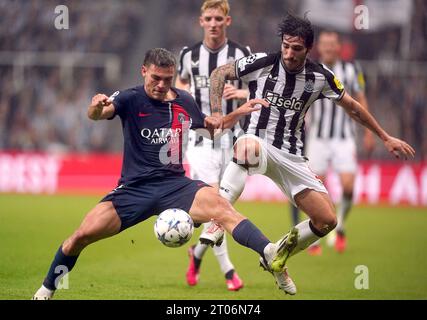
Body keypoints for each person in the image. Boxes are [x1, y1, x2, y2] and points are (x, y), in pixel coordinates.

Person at [32, 48, 297, 300]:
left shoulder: (184, 101)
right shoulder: (129, 98)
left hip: (176, 186)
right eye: (156, 78)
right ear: (143, 71)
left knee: (224, 209)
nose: (161, 84)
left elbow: (211, 130)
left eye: (167, 79)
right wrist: (96, 106)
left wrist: (237, 113)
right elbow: (97, 115)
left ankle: (270, 254)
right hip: (134, 189)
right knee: (80, 237)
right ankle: (46, 289)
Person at [201, 13, 415, 293]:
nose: (289, 54)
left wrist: (384, 136)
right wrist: (217, 113)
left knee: (327, 220)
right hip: (258, 141)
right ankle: (218, 220)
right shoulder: (262, 62)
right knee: (246, 146)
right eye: (286, 46)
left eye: (297, 48)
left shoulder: (321, 77)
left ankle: (277, 254)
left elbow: (352, 107)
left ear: (308, 49)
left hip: (292, 155)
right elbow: (219, 74)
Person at [175, 0, 250, 291]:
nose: (214, 23)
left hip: (233, 139)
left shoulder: (241, 54)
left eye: (219, 18)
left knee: (221, 207)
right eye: (209, 18)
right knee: (217, 204)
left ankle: (196, 253)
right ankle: (229, 271)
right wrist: (188, 91)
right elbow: (178, 85)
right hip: (201, 139)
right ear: (201, 21)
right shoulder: (188, 55)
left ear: (227, 21)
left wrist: (241, 91)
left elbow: (258, 88)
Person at [305, 30, 375, 255]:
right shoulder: (311, 69)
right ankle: (314, 237)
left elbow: (361, 98)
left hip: (344, 137)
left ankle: (341, 225)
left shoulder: (352, 70)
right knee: (316, 188)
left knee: (348, 186)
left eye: (332, 44)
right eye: (324, 44)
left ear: (338, 47)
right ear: (320, 47)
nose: (328, 48)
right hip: (317, 138)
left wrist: (368, 132)